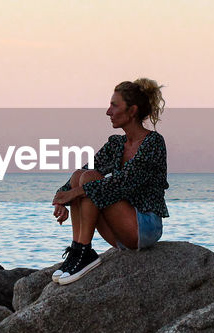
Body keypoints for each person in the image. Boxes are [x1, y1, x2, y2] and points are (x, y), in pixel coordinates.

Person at [50, 78, 168, 284]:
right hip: (121, 226)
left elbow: (122, 183)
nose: (108, 112)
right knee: (81, 175)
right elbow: (85, 170)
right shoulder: (117, 144)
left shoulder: (153, 143)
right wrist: (61, 199)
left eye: (114, 105)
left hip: (144, 226)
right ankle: (78, 249)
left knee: (88, 181)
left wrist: (74, 194)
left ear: (132, 111)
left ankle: (84, 252)